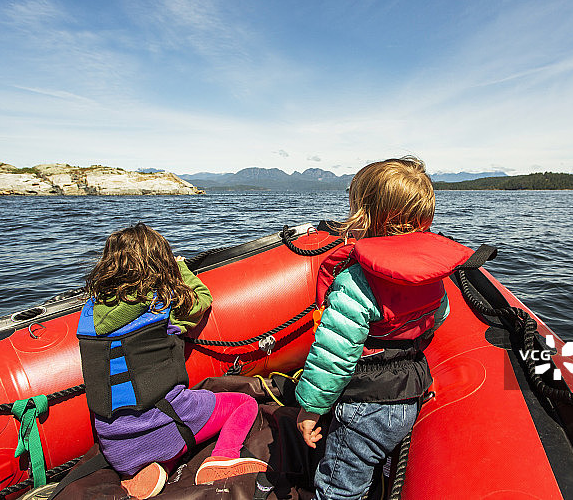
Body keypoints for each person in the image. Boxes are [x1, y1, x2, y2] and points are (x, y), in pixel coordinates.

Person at [296, 157, 464, 500]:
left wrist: (310, 409)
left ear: (364, 216)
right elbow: (440, 315)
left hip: (364, 408)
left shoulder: (356, 281)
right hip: (411, 392)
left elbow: (334, 357)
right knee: (381, 466)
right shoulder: (429, 275)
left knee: (338, 486)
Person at [77, 223, 267, 499]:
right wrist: (182, 270)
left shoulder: (88, 314)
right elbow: (202, 300)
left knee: (163, 424)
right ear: (160, 263)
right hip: (162, 423)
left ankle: (148, 471)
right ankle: (223, 457)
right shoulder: (161, 305)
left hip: (114, 448)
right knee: (244, 403)